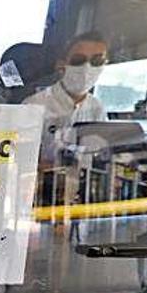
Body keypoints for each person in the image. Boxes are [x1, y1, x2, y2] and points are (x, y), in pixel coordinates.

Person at [24, 31, 109, 206]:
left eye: (96, 62)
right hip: (41, 196)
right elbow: (18, 160)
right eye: (78, 61)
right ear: (61, 65)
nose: (87, 68)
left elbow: (103, 156)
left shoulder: (97, 108)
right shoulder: (34, 105)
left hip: (84, 200)